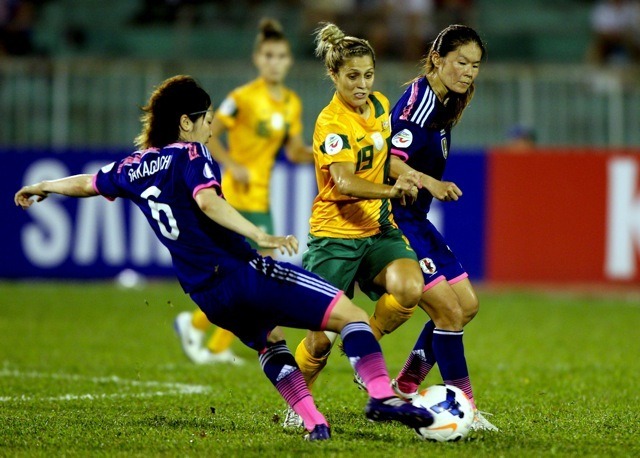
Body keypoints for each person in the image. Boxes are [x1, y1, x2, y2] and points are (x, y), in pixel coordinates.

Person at [14, 74, 435, 441]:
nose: (211, 125)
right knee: (355, 319)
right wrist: (258, 234)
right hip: (244, 272)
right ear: (186, 122)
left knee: (270, 343)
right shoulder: (190, 154)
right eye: (206, 117)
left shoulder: (133, 166)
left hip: (206, 295)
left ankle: (312, 421)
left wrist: (44, 185)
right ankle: (382, 396)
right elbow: (208, 201)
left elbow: (89, 182)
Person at [283, 22, 426, 428]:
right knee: (319, 341)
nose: (362, 85)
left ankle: (368, 351)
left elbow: (385, 161)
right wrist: (392, 193)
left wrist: (413, 176)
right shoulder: (332, 123)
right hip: (335, 238)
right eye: (352, 77)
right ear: (334, 75)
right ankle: (299, 407)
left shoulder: (380, 106)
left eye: (368, 75)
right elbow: (344, 182)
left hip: (377, 232)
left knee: (410, 288)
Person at [173, 18, 313, 367]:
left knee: (258, 276)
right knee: (250, 275)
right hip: (233, 196)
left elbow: (295, 151)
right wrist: (232, 163)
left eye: (280, 56)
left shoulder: (291, 103)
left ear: (289, 61)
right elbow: (209, 132)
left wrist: (327, 152)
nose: (274, 62)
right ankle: (198, 329)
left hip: (261, 197)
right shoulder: (242, 98)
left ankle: (209, 338)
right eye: (268, 55)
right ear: (257, 59)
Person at [385, 24, 498, 431]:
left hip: (417, 218)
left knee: (466, 305)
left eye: (476, 65)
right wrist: (429, 181)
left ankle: (404, 386)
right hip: (397, 220)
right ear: (437, 59)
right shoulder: (417, 105)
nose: (469, 72)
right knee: (449, 312)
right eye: (462, 62)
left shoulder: (445, 101)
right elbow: (388, 161)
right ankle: (464, 407)